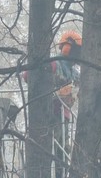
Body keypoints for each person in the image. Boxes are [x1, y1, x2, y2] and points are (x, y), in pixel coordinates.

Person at [22, 30, 82, 177]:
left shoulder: (75, 74)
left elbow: (83, 93)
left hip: (64, 116)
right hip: (48, 114)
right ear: (68, 48)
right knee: (49, 149)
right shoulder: (54, 63)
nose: (79, 55)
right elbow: (27, 75)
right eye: (77, 51)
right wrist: (55, 89)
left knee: (62, 150)